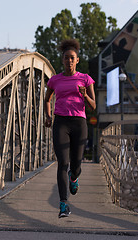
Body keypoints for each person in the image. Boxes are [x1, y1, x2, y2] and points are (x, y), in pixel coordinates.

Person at [44, 39, 96, 218]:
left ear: (77, 60)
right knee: (62, 163)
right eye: (66, 58)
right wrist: (49, 116)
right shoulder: (54, 80)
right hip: (61, 123)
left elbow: (93, 106)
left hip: (79, 123)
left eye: (72, 58)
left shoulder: (85, 79)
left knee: (76, 164)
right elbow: (47, 99)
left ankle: (74, 177)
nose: (69, 61)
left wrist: (85, 95)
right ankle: (63, 204)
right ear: (63, 60)